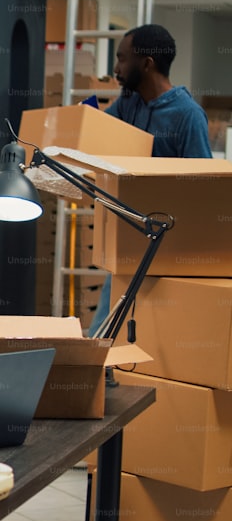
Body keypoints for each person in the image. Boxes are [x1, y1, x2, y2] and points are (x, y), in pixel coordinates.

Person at [90, 23, 212, 335]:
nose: (116, 68)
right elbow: (96, 134)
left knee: (160, 334)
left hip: (170, 247)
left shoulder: (188, 115)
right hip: (128, 238)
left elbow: (204, 189)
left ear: (146, 63)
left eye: (122, 59)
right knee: (104, 334)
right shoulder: (128, 105)